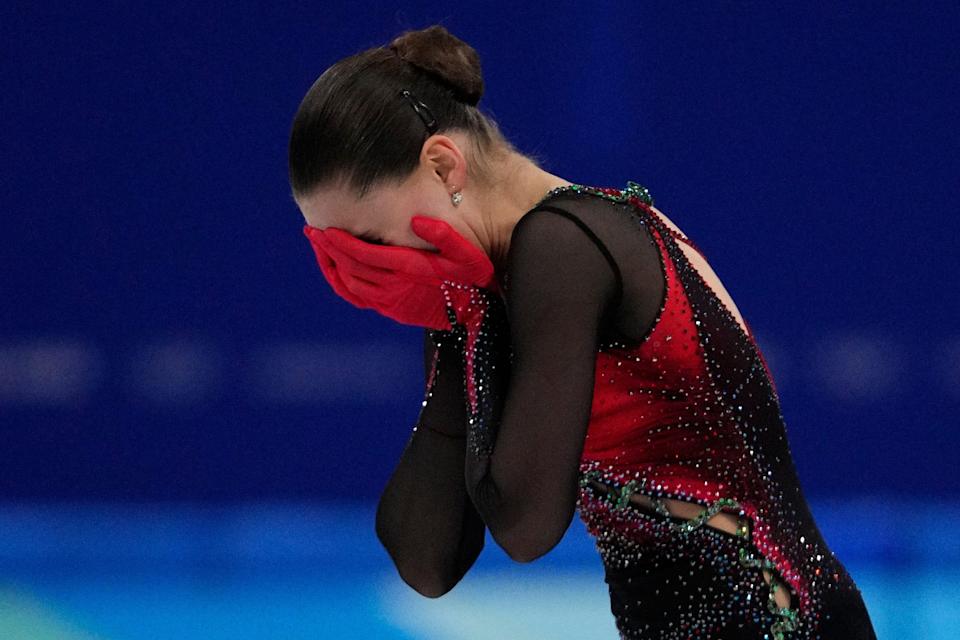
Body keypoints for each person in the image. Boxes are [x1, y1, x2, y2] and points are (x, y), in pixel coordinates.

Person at [287, 24, 879, 640]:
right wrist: (456, 320)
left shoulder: (567, 245)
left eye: (370, 243)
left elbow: (525, 525)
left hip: (780, 622)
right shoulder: (484, 285)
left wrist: (475, 316)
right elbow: (426, 559)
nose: (365, 272)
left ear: (442, 164)